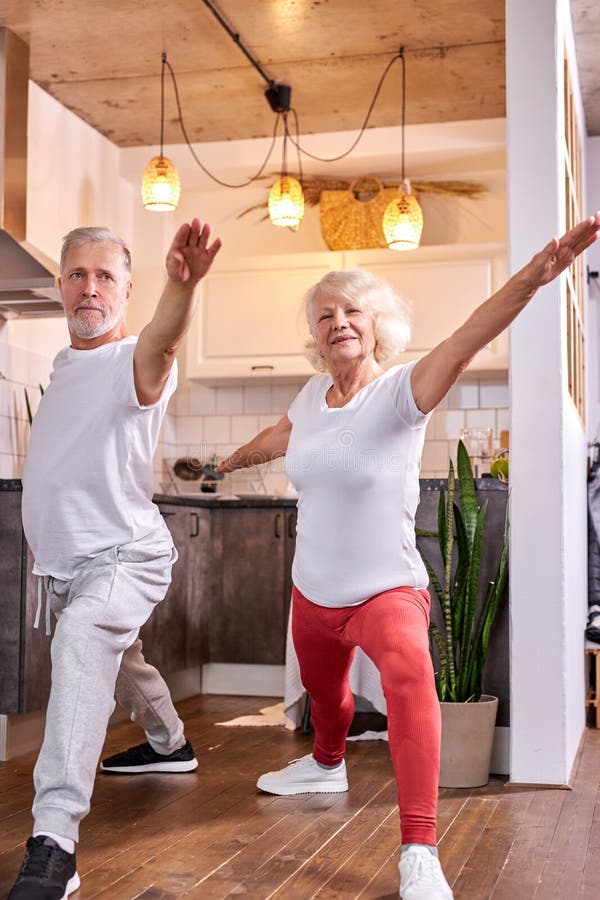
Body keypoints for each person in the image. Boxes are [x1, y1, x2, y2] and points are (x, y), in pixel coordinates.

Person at [216, 213, 600, 900]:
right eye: (325, 313)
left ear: (376, 324)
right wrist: (234, 459)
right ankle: (326, 763)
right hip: (313, 589)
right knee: (325, 696)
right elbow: (283, 433)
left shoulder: (401, 394)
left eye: (352, 310)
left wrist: (533, 279)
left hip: (385, 588)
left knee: (407, 675)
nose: (339, 321)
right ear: (316, 333)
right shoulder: (311, 396)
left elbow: (465, 338)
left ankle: (419, 850)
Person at [8, 219, 222, 900]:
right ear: (59, 285)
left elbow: (161, 343)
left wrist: (181, 288)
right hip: (69, 567)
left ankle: (55, 842)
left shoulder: (132, 357)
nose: (90, 287)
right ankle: (169, 743)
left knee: (83, 639)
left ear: (128, 289)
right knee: (117, 656)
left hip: (124, 558)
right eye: (78, 274)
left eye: (105, 276)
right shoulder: (66, 364)